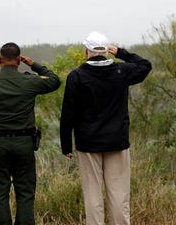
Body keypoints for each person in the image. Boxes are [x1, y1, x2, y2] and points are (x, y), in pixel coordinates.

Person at [60, 31, 152, 225]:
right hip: (117, 141)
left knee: (92, 194)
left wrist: (66, 145)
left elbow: (68, 113)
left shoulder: (77, 76)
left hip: (88, 143)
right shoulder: (122, 72)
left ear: (87, 51)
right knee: (119, 194)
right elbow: (145, 65)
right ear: (107, 51)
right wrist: (121, 52)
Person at [0, 42, 61, 225]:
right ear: (19, 60)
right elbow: (54, 80)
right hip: (24, 144)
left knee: (0, 192)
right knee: (25, 192)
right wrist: (34, 64)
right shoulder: (29, 81)